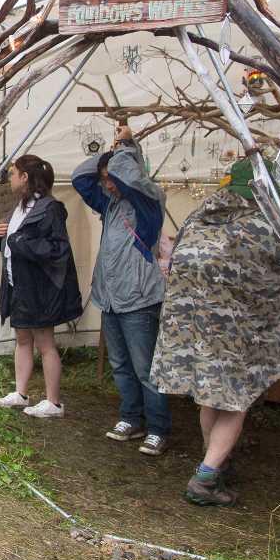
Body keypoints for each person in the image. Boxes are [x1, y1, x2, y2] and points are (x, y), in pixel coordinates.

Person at [150, 159, 280, 506]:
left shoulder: (198, 219)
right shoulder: (261, 227)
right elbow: (278, 280)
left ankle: (214, 462)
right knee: (236, 402)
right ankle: (205, 479)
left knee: (209, 395)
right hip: (234, 334)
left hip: (192, 332)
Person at [72, 124, 171, 457]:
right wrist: (108, 153)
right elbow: (79, 178)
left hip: (139, 297)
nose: (107, 183)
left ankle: (158, 428)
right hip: (111, 297)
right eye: (106, 178)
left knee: (146, 368)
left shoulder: (149, 201)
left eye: (111, 177)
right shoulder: (110, 204)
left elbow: (129, 175)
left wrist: (126, 146)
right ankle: (131, 418)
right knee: (120, 365)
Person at [0, 154, 82, 418]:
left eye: (14, 173)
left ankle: (54, 402)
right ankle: (21, 393)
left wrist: (19, 242)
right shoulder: (15, 206)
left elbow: (58, 249)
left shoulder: (50, 208)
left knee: (45, 342)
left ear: (25, 177)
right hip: (18, 285)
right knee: (22, 338)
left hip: (40, 288)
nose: (11, 178)